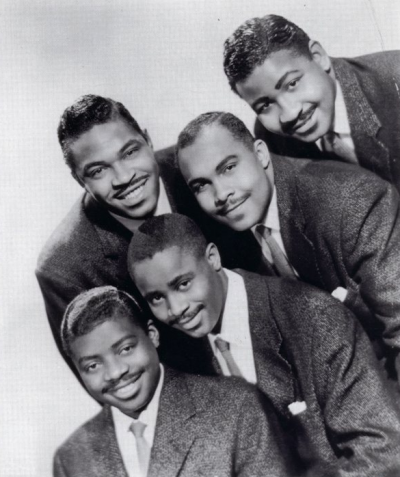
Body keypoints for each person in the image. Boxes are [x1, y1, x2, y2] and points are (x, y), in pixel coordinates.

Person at [127, 213, 400, 477]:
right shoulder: (180, 362)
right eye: (157, 298)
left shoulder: (313, 316)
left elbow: (383, 450)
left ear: (213, 258)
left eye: (184, 284)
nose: (176, 309)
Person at [175, 111, 400, 379]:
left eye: (228, 168)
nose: (221, 194)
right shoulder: (223, 247)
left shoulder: (350, 200)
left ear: (260, 154)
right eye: (201, 185)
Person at [36, 94, 207, 378]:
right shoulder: (65, 270)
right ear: (80, 180)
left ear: (148, 140)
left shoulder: (201, 166)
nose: (124, 177)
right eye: (98, 170)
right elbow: (118, 386)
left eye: (129, 153)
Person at [54, 286, 292, 477]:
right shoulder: (71, 459)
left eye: (125, 349)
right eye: (93, 366)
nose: (115, 372)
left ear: (152, 335)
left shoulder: (236, 406)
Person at [223, 14, 400, 192]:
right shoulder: (271, 139)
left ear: (318, 57)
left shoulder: (394, 79)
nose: (290, 113)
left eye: (292, 83)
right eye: (265, 105)